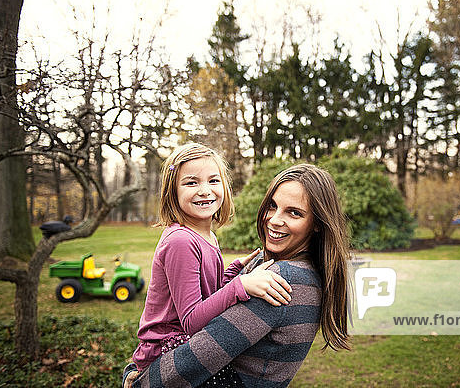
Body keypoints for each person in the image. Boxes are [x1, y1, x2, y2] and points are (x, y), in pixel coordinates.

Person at [126, 163, 350, 388]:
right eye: (272, 206)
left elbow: (198, 355)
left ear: (318, 223)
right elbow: (211, 305)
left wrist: (137, 380)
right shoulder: (282, 267)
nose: (273, 220)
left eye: (294, 212)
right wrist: (236, 275)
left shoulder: (284, 279)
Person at [129, 143, 293, 375]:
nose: (205, 190)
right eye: (191, 182)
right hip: (165, 352)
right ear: (172, 192)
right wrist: (240, 285)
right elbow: (192, 320)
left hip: (186, 343)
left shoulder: (208, 236)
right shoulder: (181, 241)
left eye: (213, 181)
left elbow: (208, 295)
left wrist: (234, 270)